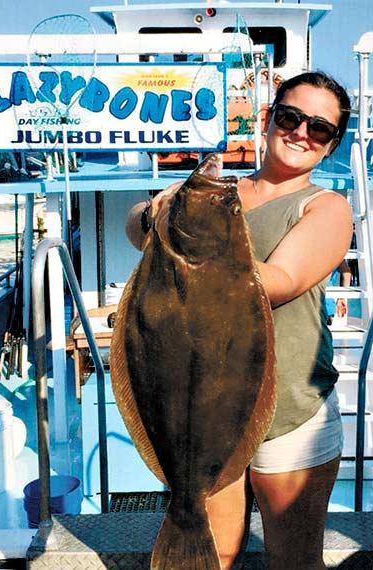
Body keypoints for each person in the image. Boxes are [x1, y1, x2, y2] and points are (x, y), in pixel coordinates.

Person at [125, 71, 352, 570]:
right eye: (291, 117)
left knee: (294, 560)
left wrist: (187, 234)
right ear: (270, 119)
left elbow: (281, 279)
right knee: (215, 554)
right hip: (197, 409)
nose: (300, 133)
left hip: (291, 411)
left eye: (319, 128)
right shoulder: (218, 194)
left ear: (331, 145)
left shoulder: (327, 207)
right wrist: (156, 214)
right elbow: (136, 227)